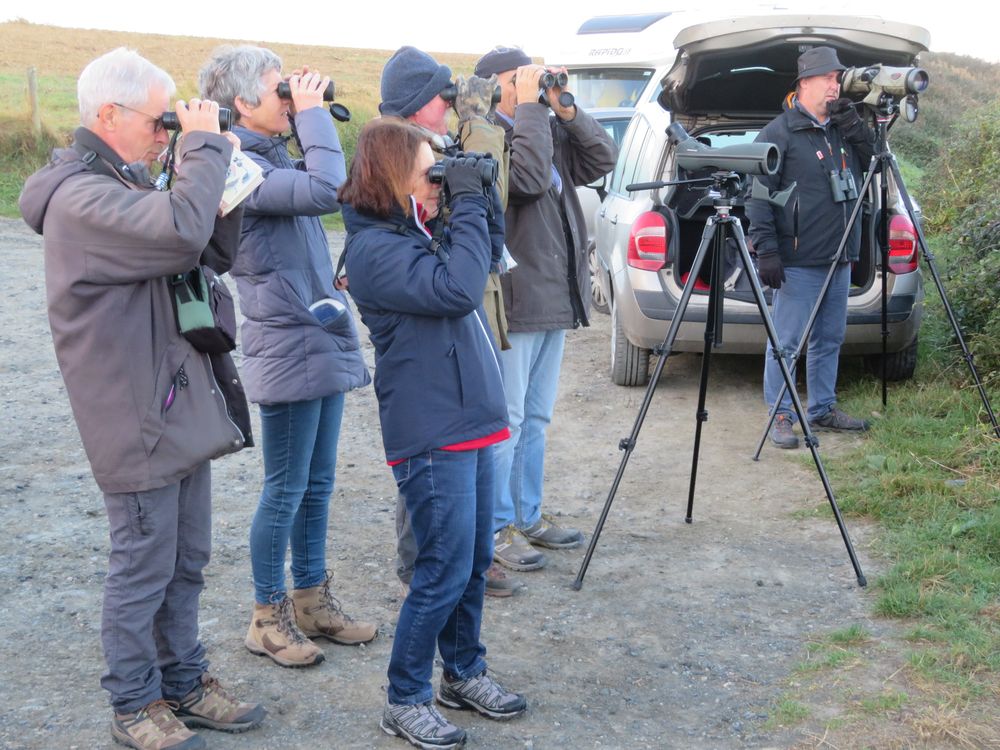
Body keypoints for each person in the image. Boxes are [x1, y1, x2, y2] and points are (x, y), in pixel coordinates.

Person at [18, 47, 264, 750]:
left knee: (186, 556)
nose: (166, 133)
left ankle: (182, 681)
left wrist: (222, 179)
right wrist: (203, 146)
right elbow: (178, 231)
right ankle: (133, 702)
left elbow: (202, 251)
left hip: (173, 397)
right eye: (160, 121)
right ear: (108, 115)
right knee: (143, 561)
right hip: (132, 414)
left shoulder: (123, 180)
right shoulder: (82, 198)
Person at [340, 118, 526, 750]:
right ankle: (405, 696)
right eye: (429, 171)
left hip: (469, 416)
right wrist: (468, 203)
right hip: (430, 429)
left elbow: (490, 259)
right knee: (441, 567)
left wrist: (480, 196)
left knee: (473, 559)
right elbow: (458, 287)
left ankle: (463, 672)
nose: (439, 182)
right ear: (392, 174)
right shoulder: (373, 251)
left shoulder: (417, 229)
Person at [198, 45, 375, 668]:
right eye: (280, 91)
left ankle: (309, 600)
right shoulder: (234, 164)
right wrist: (312, 114)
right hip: (286, 342)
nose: (291, 98)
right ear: (243, 103)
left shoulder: (271, 154)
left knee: (318, 483)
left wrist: (303, 115)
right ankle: (266, 617)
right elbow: (329, 187)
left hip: (314, 332)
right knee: (285, 488)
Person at [471, 46, 618, 574]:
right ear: (493, 86)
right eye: (521, 79)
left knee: (535, 417)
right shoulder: (484, 136)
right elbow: (528, 183)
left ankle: (527, 516)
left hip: (554, 295)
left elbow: (603, 159)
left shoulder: (543, 127)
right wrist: (534, 111)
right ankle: (495, 528)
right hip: (516, 301)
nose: (533, 85)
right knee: (507, 420)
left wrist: (568, 112)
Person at [378, 45, 516, 597]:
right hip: (431, 336)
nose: (452, 102)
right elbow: (489, 196)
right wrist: (479, 127)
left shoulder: (433, 150)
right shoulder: (401, 161)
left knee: (446, 456)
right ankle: (426, 567)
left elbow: (488, 207)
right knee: (430, 459)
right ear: (417, 106)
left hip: (453, 325)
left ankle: (448, 560)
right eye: (444, 95)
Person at [746, 46, 874, 449]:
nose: (835, 86)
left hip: (839, 257)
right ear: (804, 84)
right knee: (786, 343)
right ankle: (781, 414)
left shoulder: (842, 128)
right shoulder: (778, 133)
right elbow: (759, 197)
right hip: (798, 259)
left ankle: (822, 408)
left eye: (837, 79)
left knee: (829, 339)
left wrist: (855, 127)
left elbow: (877, 162)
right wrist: (767, 249)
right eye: (827, 79)